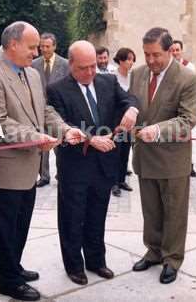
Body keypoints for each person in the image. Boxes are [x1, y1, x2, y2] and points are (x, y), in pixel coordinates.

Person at [0, 21, 85, 301]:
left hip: (28, 166)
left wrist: (64, 129)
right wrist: (37, 138)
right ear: (13, 45)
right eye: (32, 47)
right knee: (4, 227)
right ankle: (8, 280)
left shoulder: (32, 74)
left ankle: (12, 267)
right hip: (4, 168)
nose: (37, 52)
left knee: (20, 224)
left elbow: (45, 110)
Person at [47, 40, 138, 286]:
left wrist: (131, 110)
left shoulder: (108, 81)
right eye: (83, 68)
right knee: (72, 218)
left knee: (97, 216)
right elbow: (60, 123)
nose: (89, 73)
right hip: (75, 165)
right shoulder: (56, 90)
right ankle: (74, 266)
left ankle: (96, 261)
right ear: (71, 65)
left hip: (104, 164)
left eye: (93, 67)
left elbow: (128, 99)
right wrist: (90, 138)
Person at [129, 27, 196, 284]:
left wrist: (157, 130)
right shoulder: (137, 74)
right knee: (151, 211)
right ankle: (154, 251)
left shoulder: (187, 79)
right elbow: (132, 106)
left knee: (174, 213)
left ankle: (172, 258)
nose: (150, 61)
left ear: (170, 51)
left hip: (172, 159)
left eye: (156, 55)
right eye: (146, 54)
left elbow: (188, 119)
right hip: (144, 157)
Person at [31, 32, 70, 187]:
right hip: (39, 111)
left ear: (54, 46)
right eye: (42, 46)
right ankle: (44, 176)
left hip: (59, 112)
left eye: (47, 46)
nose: (44, 49)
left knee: (60, 145)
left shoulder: (65, 64)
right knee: (42, 145)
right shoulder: (34, 64)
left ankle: (62, 173)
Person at [169, 39, 196, 177]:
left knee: (185, 135)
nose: (175, 52)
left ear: (181, 51)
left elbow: (191, 87)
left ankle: (188, 164)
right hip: (170, 105)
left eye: (177, 50)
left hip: (184, 105)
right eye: (172, 50)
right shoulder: (166, 66)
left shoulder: (189, 66)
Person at [110, 47, 136, 196]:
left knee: (126, 151)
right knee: (116, 152)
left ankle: (121, 179)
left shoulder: (133, 77)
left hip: (130, 121)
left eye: (133, 59)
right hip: (116, 121)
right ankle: (113, 183)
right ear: (121, 60)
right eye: (129, 59)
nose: (131, 62)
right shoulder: (113, 77)